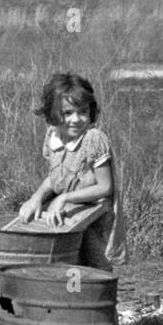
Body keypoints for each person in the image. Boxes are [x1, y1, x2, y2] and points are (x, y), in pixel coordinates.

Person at [18, 73, 127, 270]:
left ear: (91, 111)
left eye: (82, 111)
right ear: (53, 113)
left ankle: (99, 298)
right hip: (69, 213)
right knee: (66, 261)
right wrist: (36, 197)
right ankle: (67, 297)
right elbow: (56, 177)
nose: (76, 119)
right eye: (67, 113)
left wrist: (63, 198)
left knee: (94, 265)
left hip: (94, 215)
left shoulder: (93, 139)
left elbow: (105, 187)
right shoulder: (54, 136)